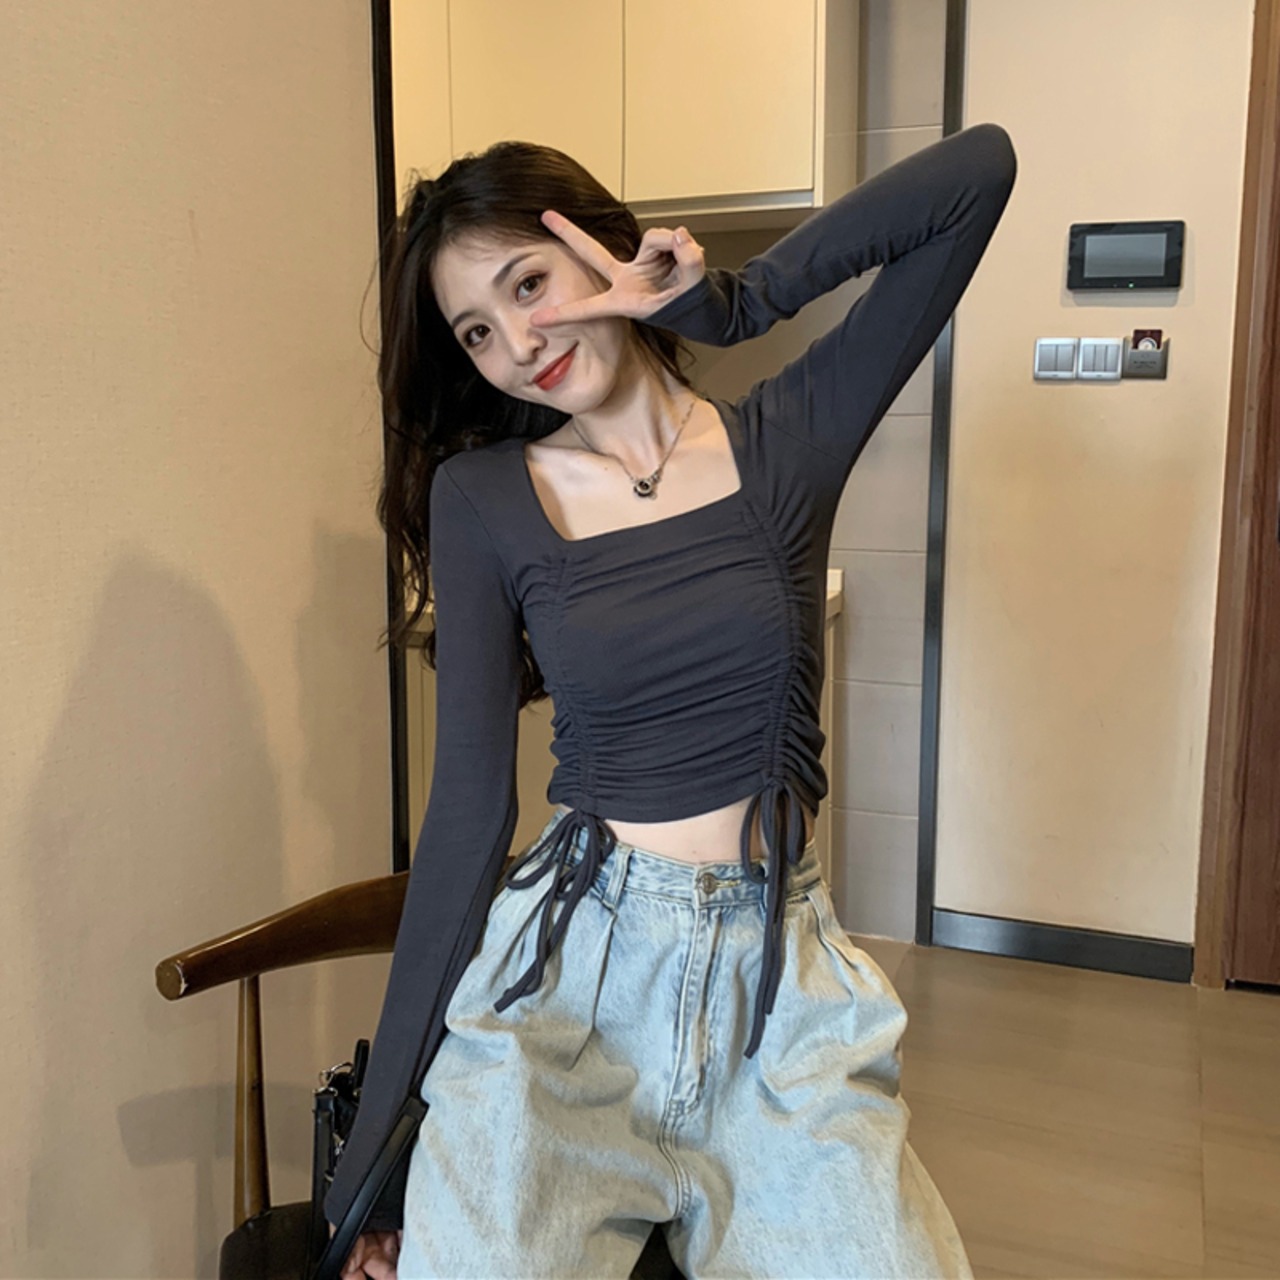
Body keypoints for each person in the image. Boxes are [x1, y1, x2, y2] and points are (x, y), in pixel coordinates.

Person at [330, 121, 1018, 1279]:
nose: (518, 344)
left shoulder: (785, 443)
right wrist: (372, 1168)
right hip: (570, 974)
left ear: (600, 246)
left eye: (529, 283)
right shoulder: (483, 496)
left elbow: (975, 176)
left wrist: (734, 303)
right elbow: (465, 818)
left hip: (777, 989)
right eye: (477, 330)